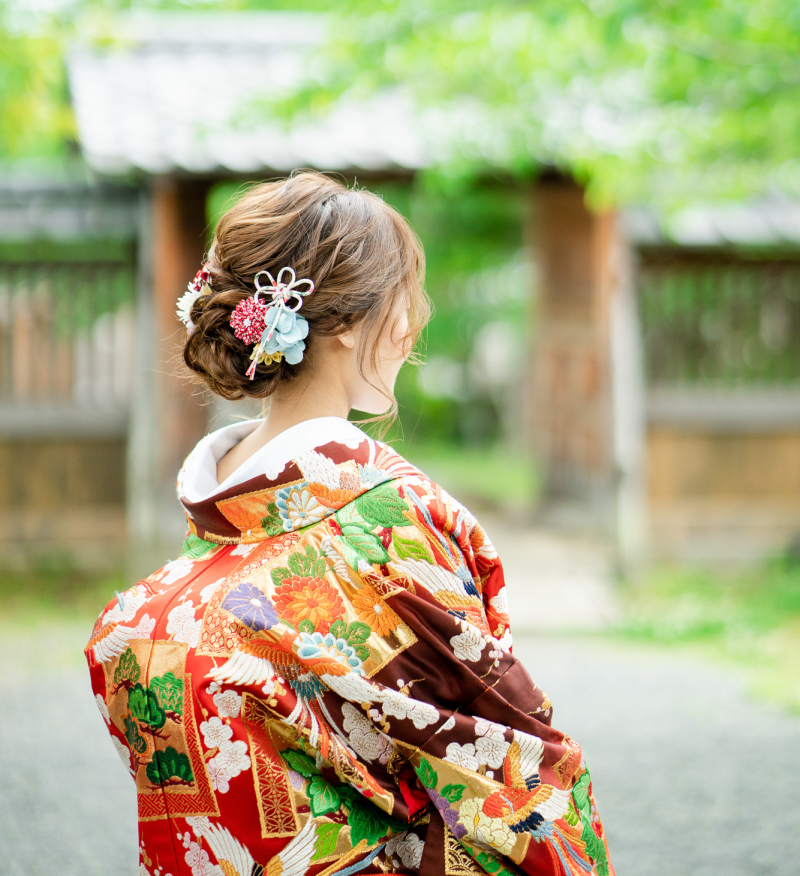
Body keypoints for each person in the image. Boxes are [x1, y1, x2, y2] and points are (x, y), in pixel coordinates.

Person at [86, 172, 613, 876]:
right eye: (403, 300)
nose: (413, 323)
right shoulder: (390, 520)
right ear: (338, 323)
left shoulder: (151, 605)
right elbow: (500, 755)